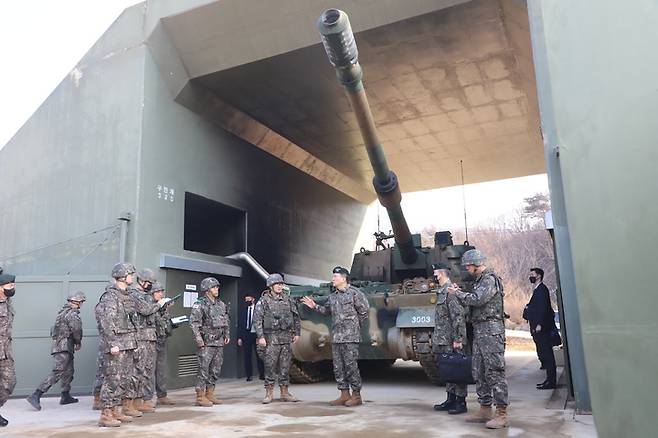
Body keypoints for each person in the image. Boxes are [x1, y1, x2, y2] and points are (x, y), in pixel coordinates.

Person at [95, 262, 169, 427]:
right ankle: (106, 414)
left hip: (129, 343)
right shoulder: (110, 296)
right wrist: (112, 343)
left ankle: (116, 411)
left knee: (124, 379)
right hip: (117, 344)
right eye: (130, 274)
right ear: (122, 276)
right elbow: (106, 322)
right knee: (113, 379)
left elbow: (139, 315)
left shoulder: (128, 295)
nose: (132, 277)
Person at [448, 249, 509, 429]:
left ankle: (502, 413)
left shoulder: (489, 279)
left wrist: (457, 294)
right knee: (479, 370)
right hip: (481, 330)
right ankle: (485, 408)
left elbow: (478, 299)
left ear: (477, 264)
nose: (467, 268)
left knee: (494, 371)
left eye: (469, 265)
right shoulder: (479, 280)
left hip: (491, 331)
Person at [301, 266, 369, 407]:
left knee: (351, 366)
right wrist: (314, 306)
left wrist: (354, 327)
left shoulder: (355, 294)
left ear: (343, 278)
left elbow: (364, 312)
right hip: (337, 337)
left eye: (335, 277)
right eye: (333, 277)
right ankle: (344, 394)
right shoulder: (333, 296)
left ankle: (356, 395)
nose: (332, 279)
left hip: (350, 337)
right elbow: (327, 311)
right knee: (338, 367)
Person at [27, 291, 86, 410]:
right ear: (78, 302)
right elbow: (76, 330)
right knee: (57, 373)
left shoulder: (62, 313)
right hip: (63, 347)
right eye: (81, 302)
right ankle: (36, 395)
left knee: (68, 371)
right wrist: (78, 342)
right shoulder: (72, 315)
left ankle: (65, 395)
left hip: (63, 347)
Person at [254, 273, 301, 404]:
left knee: (285, 367)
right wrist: (261, 337)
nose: (280, 286)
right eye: (277, 284)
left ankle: (285, 393)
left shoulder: (288, 299)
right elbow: (257, 320)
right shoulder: (263, 301)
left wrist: (297, 333)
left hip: (286, 338)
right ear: (270, 286)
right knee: (270, 366)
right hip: (271, 339)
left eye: (281, 284)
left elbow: (296, 316)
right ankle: (269, 393)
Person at [431, 263, 468, 415]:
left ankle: (461, 402)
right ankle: (450, 398)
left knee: (457, 369)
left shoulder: (450, 291)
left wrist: (458, 338)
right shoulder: (441, 291)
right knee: (448, 369)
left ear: (441, 274)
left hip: (451, 338)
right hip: (442, 338)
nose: (433, 275)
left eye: (435, 273)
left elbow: (458, 316)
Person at [190, 277, 230, 407]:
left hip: (218, 343)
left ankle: (210, 393)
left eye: (217, 287)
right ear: (207, 290)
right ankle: (200, 396)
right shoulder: (200, 304)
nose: (216, 289)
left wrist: (226, 335)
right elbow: (194, 323)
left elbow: (226, 321)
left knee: (215, 369)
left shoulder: (221, 304)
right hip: (206, 343)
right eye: (214, 287)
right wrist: (198, 339)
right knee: (203, 369)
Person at [129, 268, 164, 413]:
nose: (150, 285)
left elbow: (152, 316)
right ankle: (131, 403)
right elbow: (145, 310)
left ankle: (141, 401)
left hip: (150, 337)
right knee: (137, 371)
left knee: (147, 371)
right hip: (140, 338)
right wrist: (159, 305)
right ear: (142, 281)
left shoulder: (145, 295)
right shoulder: (134, 294)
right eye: (149, 282)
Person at [524, 268, 557, 390]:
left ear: (539, 276)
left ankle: (551, 381)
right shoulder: (537, 290)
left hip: (542, 328)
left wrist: (539, 324)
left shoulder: (542, 290)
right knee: (544, 353)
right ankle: (548, 380)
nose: (530, 277)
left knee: (548, 354)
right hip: (537, 327)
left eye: (532, 274)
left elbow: (543, 309)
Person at [150, 281, 177, 406]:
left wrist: (166, 310)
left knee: (161, 369)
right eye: (158, 292)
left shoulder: (162, 306)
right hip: (151, 341)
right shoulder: (149, 306)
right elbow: (151, 320)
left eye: (162, 291)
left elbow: (164, 323)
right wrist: (160, 308)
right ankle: (148, 398)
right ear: (152, 293)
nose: (161, 294)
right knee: (150, 371)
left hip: (162, 340)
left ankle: (162, 395)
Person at [0, 273, 17, 427]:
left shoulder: (7, 302)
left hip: (5, 352)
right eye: (9, 285)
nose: (13, 287)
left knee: (9, 382)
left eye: (13, 284)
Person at [237, 294, 264, 381]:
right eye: (246, 300)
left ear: (253, 299)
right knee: (247, 356)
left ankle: (262, 374)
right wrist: (240, 337)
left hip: (256, 334)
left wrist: (260, 336)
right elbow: (240, 324)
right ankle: (249, 375)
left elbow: (261, 323)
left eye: (249, 299)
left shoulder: (258, 309)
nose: (247, 301)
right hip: (246, 335)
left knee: (259, 355)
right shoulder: (243, 310)